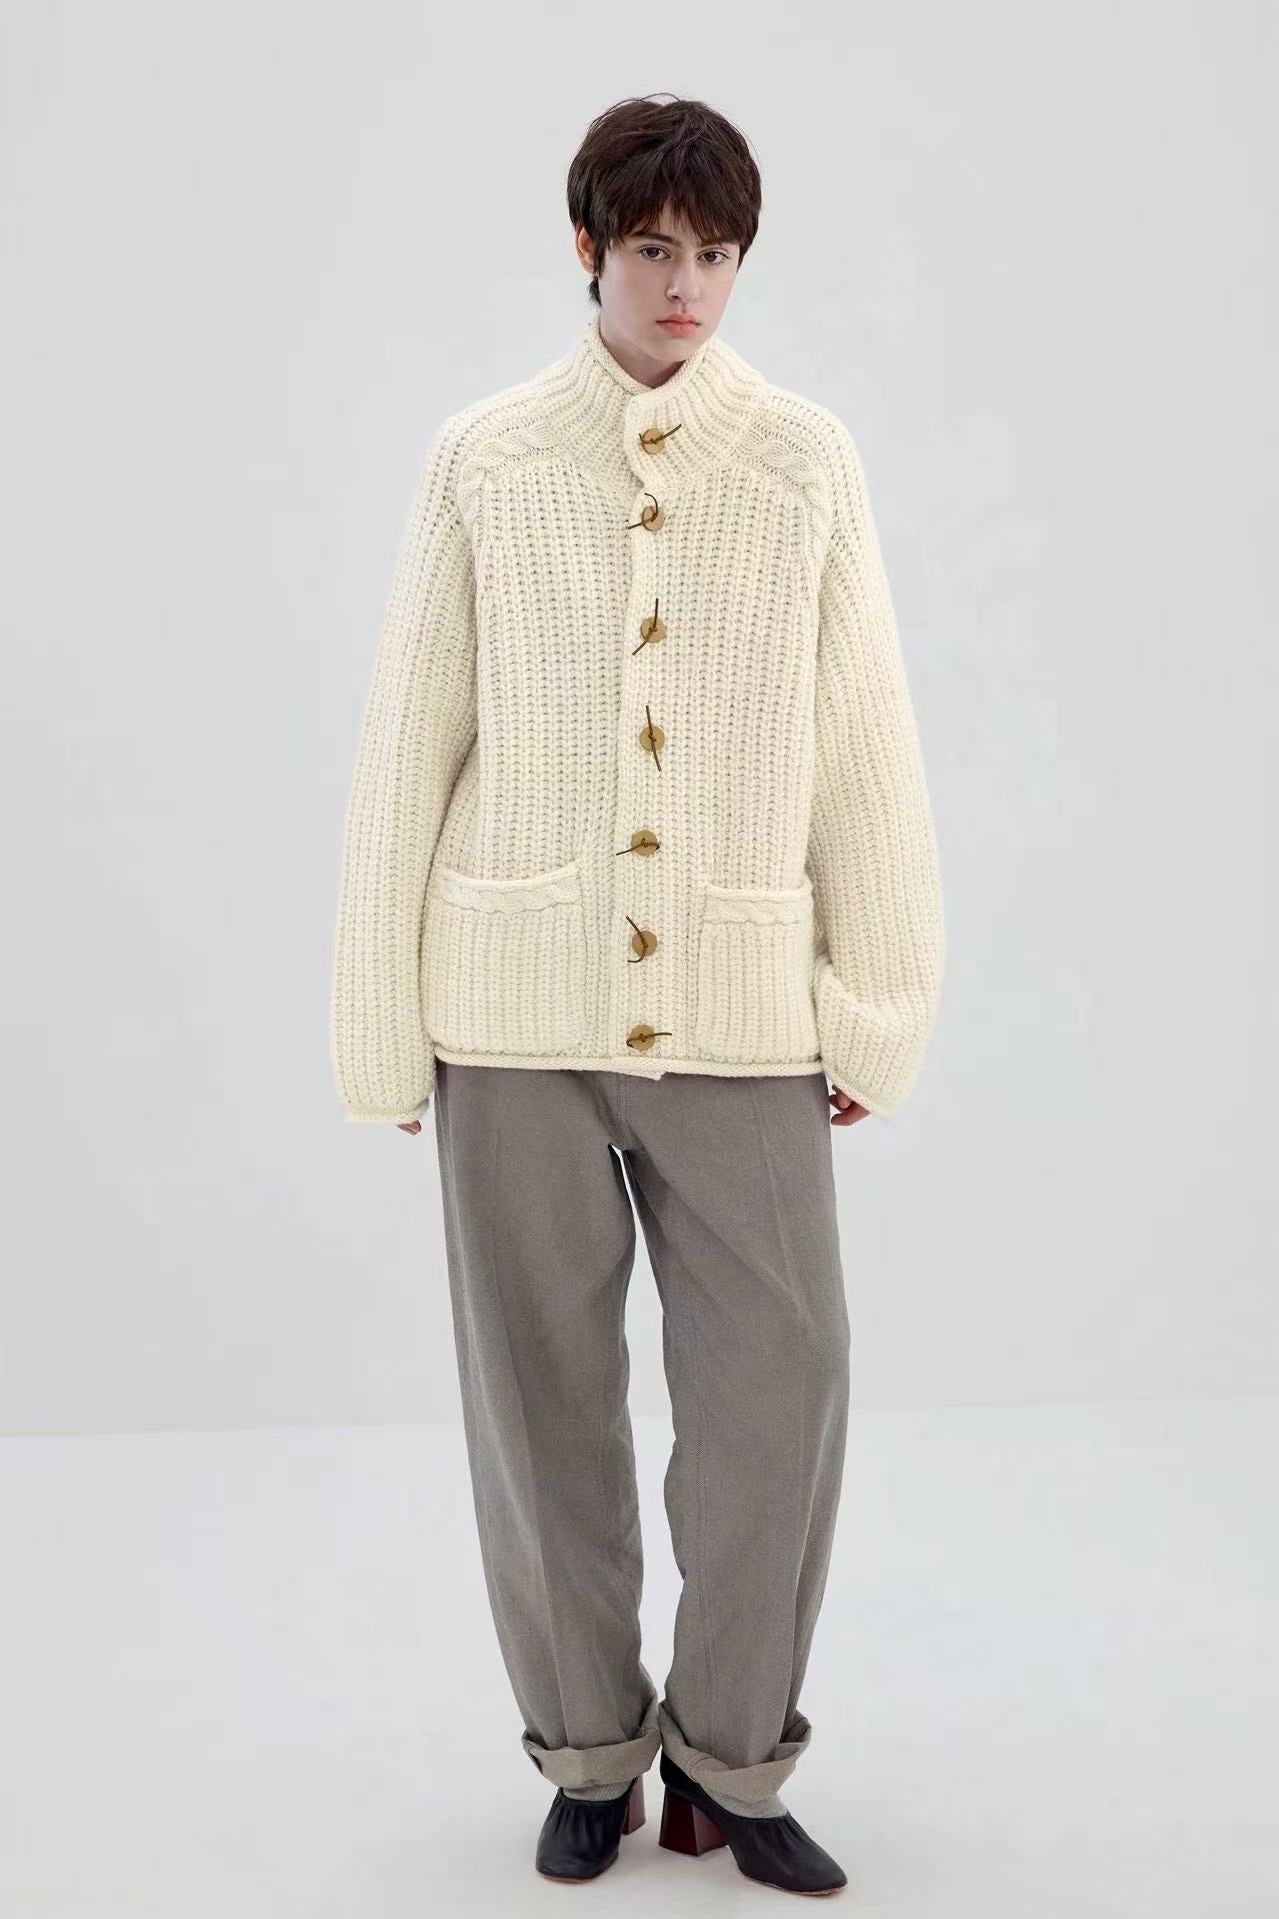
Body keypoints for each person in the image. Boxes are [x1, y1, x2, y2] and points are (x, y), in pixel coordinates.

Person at [329, 92, 945, 1895]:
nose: (688, 287)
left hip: (744, 1012)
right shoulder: (486, 460)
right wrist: (380, 1027)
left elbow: (864, 741)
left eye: (719, 253)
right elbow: (408, 744)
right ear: (589, 248)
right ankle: (589, 1753)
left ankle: (732, 1764)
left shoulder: (805, 461)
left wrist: (877, 995)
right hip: (509, 1011)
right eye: (657, 249)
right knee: (540, 1407)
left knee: (784, 1390)